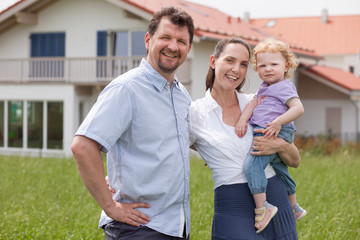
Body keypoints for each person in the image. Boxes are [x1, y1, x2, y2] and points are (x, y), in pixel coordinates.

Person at [71, 6, 194, 240]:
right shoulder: (126, 89)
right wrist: (110, 207)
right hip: (139, 229)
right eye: (165, 37)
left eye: (181, 41)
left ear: (188, 48)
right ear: (148, 40)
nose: (173, 46)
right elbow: (82, 145)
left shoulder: (180, 94)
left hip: (175, 226)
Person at [189, 38, 301, 239]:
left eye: (243, 64)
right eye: (230, 60)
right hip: (232, 207)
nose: (236, 70)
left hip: (277, 201)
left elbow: (295, 161)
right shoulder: (195, 113)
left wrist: (280, 145)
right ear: (214, 61)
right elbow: (169, 146)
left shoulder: (257, 103)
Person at [235, 38, 306, 233]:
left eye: (274, 64)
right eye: (262, 65)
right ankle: (294, 207)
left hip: (275, 130)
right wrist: (242, 120)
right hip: (269, 128)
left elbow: (298, 108)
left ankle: (262, 207)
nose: (268, 69)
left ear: (286, 66)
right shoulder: (264, 87)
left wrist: (279, 122)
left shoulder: (284, 86)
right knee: (280, 170)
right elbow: (253, 103)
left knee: (252, 165)